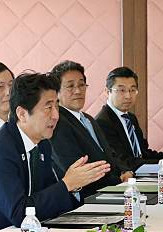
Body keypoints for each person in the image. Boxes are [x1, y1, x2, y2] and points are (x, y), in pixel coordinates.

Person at [0, 72, 110, 232]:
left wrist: (74, 186)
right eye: (48, 107)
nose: (56, 115)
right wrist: (67, 184)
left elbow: (45, 199)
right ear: (22, 114)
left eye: (57, 106)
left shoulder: (42, 144)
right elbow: (20, 213)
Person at [49, 61, 133, 198]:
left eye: (81, 85)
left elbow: (110, 154)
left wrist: (124, 171)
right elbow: (78, 169)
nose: (78, 91)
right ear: (57, 92)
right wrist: (118, 180)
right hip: (88, 199)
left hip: (110, 191)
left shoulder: (88, 119)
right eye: (70, 86)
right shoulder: (58, 123)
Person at [95, 66, 163, 171]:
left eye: (132, 90)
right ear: (107, 91)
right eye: (121, 90)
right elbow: (124, 161)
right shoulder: (102, 122)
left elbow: (144, 154)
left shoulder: (130, 118)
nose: (128, 96)